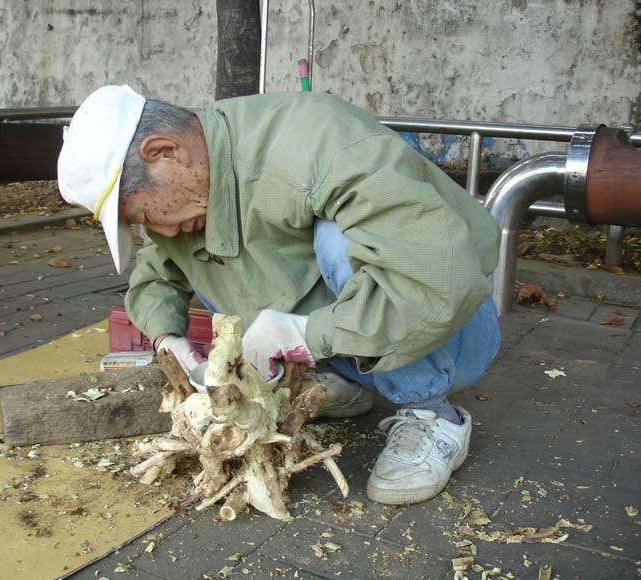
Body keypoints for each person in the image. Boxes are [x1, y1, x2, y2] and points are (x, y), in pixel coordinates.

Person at [57, 85, 501, 505]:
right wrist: (166, 340)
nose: (160, 230)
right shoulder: (191, 182)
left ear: (163, 153)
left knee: (339, 241)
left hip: (449, 326)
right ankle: (342, 381)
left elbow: (436, 277)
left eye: (145, 213)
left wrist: (306, 333)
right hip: (353, 342)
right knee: (202, 248)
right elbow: (154, 277)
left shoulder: (319, 140)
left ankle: (432, 414)